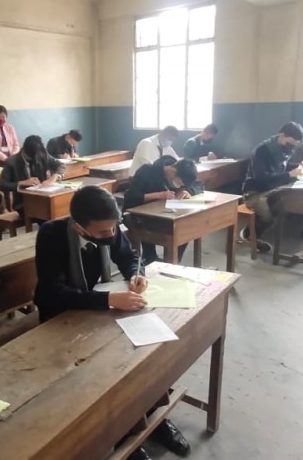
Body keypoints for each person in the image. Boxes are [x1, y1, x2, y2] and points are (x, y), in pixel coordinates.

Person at [33, 185, 189, 460]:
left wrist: (135, 275)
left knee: (144, 354)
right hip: (62, 319)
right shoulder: (52, 235)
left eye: (114, 229)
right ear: (80, 228)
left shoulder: (109, 229)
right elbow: (50, 294)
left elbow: (130, 256)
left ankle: (154, 414)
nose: (111, 236)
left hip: (98, 308)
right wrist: (108, 301)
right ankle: (125, 436)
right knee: (108, 371)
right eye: (104, 232)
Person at [241, 122, 303, 253]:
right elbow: (261, 177)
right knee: (267, 217)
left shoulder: (283, 151)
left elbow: (282, 167)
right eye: (291, 143)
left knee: (282, 209)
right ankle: (250, 236)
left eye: (295, 144)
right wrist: (289, 175)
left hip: (272, 189)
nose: (292, 147)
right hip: (254, 191)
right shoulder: (262, 151)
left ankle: (249, 234)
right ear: (282, 136)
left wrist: (297, 166)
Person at [124, 156, 201, 264]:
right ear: (173, 171)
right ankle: (150, 257)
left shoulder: (181, 171)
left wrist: (188, 191)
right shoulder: (147, 171)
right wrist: (158, 195)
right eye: (179, 183)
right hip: (139, 216)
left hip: (163, 213)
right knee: (171, 231)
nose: (178, 186)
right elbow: (131, 197)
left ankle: (174, 262)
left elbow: (199, 185)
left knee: (185, 229)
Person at [0, 135, 66, 219]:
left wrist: (54, 177)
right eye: (32, 158)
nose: (36, 160)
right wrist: (21, 183)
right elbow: (2, 185)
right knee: (48, 213)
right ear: (24, 151)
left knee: (62, 207)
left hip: (43, 198)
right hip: (23, 203)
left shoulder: (42, 154)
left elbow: (61, 165)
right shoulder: (11, 162)